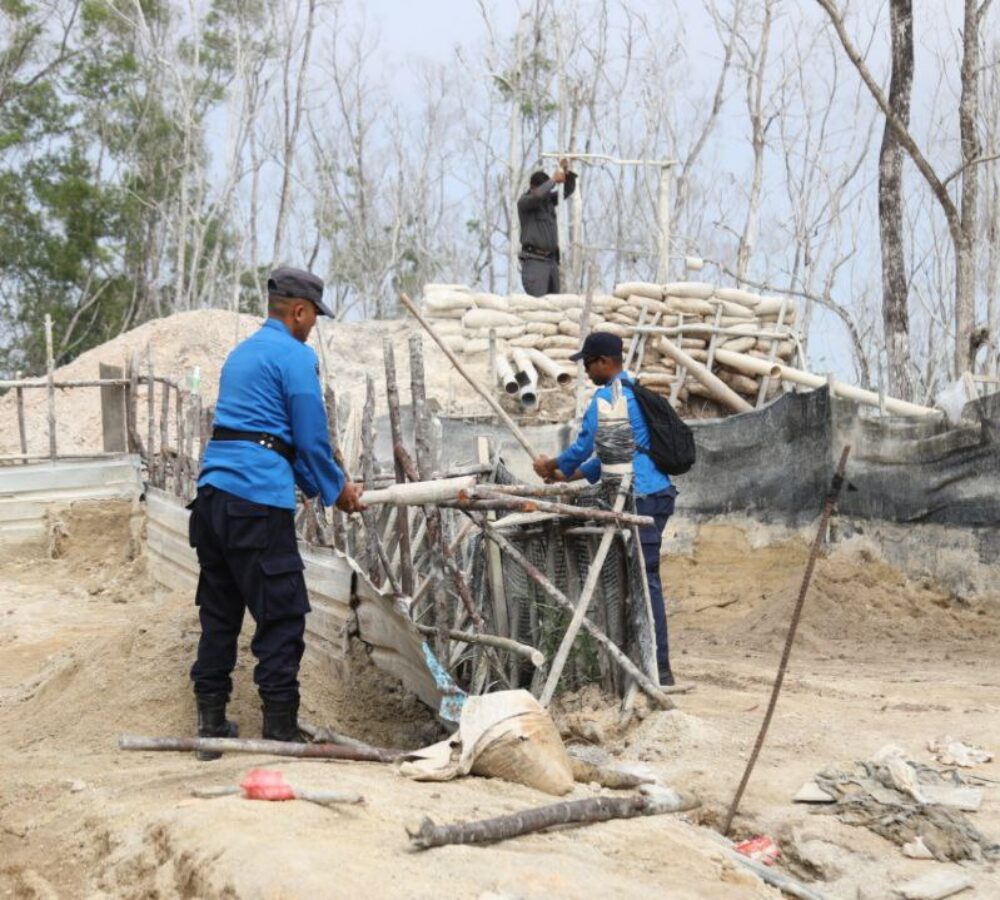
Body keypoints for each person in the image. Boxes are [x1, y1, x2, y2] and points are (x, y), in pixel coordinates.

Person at [187, 266, 365, 759]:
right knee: (282, 614)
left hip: (212, 497)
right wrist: (339, 491)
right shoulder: (294, 356)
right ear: (300, 311)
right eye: (313, 319)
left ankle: (210, 725)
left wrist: (318, 484)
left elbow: (268, 436)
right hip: (256, 500)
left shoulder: (241, 355)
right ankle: (280, 730)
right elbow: (308, 439)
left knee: (220, 613)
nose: (313, 328)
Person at [532, 332, 678, 686]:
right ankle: (645, 662)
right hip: (655, 493)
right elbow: (610, 456)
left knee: (645, 581)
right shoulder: (635, 393)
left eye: (588, 363)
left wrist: (551, 465)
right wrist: (569, 475)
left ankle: (659, 668)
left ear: (604, 362)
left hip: (639, 496)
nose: (586, 370)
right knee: (640, 579)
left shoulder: (609, 397)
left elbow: (584, 445)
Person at [517, 158, 577, 297]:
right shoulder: (525, 202)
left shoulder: (548, 201)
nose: (547, 194)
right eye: (545, 188)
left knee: (554, 307)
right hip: (534, 262)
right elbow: (537, 196)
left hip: (551, 262)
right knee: (539, 306)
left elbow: (567, 191)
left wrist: (566, 172)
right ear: (533, 187)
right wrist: (553, 180)